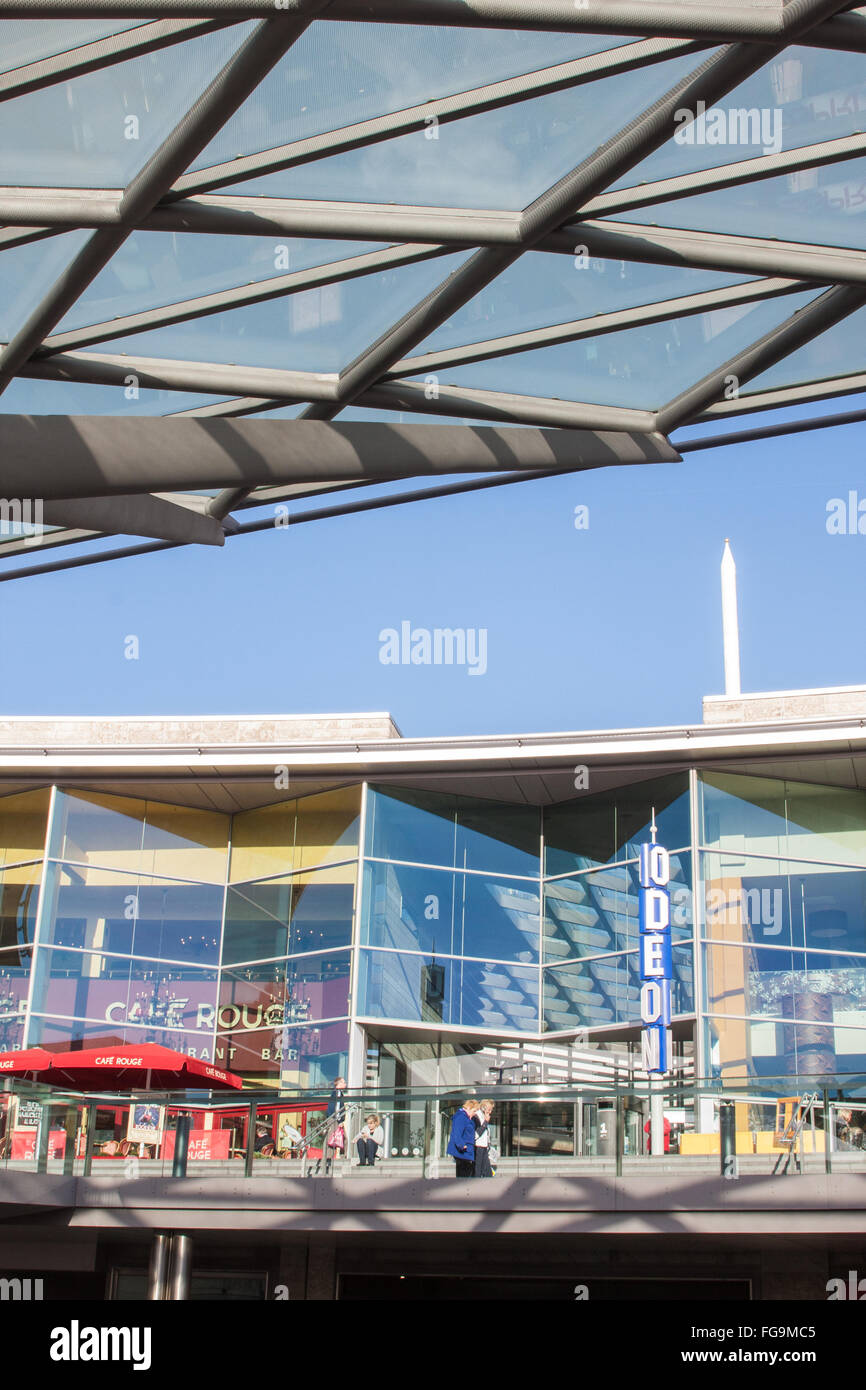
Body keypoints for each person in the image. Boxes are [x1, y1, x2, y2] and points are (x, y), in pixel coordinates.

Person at [447, 1098, 478, 1177]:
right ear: (468, 1108)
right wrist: (462, 1145)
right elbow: (457, 1133)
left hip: (466, 1151)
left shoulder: (467, 1118)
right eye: (474, 1111)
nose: (475, 1113)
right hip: (463, 1152)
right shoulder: (461, 1117)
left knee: (465, 1174)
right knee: (464, 1174)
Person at [473, 1099, 495, 1177]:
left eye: (491, 1110)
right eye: (489, 1109)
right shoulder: (476, 1117)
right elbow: (476, 1134)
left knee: (488, 1172)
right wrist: (485, 1122)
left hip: (484, 1147)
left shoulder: (483, 1117)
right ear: (483, 1108)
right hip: (478, 1147)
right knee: (478, 1171)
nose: (490, 1112)